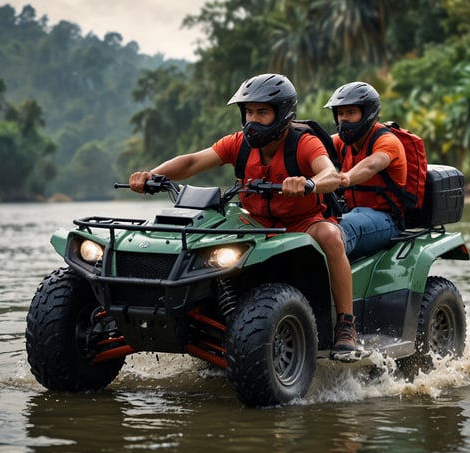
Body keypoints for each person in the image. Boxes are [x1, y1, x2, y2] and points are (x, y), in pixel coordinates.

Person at [129, 73, 359, 353]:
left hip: (302, 223)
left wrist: (309, 183)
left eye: (262, 112)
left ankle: (346, 325)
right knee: (206, 232)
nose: (253, 119)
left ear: (282, 114)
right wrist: (151, 175)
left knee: (331, 236)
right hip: (254, 222)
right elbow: (191, 162)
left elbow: (330, 174)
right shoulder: (239, 143)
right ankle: (197, 312)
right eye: (248, 111)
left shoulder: (303, 143)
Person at [323, 81, 406, 259]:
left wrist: (345, 177)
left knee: (334, 231)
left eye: (351, 112)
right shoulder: (341, 142)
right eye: (340, 113)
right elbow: (315, 148)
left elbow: (371, 165)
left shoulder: (387, 141)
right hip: (350, 211)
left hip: (386, 219)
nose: (343, 119)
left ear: (367, 113)